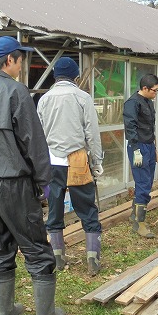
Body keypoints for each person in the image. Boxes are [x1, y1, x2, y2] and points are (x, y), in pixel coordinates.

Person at [0, 36, 64, 315]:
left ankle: (6, 314)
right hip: (14, 184)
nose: (22, 66)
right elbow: (34, 142)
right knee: (35, 247)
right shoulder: (16, 91)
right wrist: (44, 181)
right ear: (10, 60)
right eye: (21, 60)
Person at [37, 57, 104, 276]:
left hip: (52, 162)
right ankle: (92, 260)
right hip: (78, 161)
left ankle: (58, 259)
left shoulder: (44, 100)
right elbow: (92, 133)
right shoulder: (83, 97)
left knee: (54, 209)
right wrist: (97, 161)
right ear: (75, 77)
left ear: (55, 76)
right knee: (87, 208)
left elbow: (39, 135)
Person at [123, 74, 158, 238]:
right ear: (145, 88)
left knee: (147, 181)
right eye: (154, 90)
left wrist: (155, 148)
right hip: (138, 147)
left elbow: (151, 127)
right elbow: (130, 127)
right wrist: (136, 150)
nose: (156, 93)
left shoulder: (149, 102)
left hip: (149, 145)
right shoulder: (132, 103)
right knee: (143, 182)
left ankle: (134, 214)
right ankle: (139, 223)